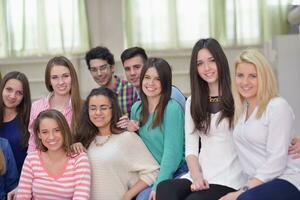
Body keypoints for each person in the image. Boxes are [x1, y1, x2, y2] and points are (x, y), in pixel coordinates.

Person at [156, 38, 246, 200]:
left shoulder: (238, 96)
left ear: (221, 61)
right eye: (200, 63)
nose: (206, 68)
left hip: (229, 176)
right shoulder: (192, 101)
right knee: (165, 189)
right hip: (201, 174)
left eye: (212, 61)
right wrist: (197, 177)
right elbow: (191, 150)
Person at [220, 49, 300, 200]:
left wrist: (242, 190)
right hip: (259, 182)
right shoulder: (242, 112)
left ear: (264, 78)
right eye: (240, 76)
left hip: (287, 179)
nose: (245, 82)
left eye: (253, 76)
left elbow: (277, 161)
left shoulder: (277, 106)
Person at [74, 87, 159, 200]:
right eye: (93, 108)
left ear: (113, 109)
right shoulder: (85, 140)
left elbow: (153, 171)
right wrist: (74, 147)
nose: (98, 113)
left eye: (103, 108)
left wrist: (128, 195)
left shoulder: (127, 138)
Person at [129, 57, 186, 200]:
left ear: (165, 83)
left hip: (176, 170)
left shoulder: (172, 109)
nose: (151, 83)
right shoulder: (136, 109)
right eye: (147, 77)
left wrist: (158, 185)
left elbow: (172, 154)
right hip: (151, 171)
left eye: (157, 79)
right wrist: (130, 131)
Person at [16, 109, 91, 200]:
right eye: (45, 132)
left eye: (57, 130)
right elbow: (22, 197)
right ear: (39, 135)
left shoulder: (79, 159)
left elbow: (81, 197)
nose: (51, 137)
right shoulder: (31, 159)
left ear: (64, 130)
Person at [27, 56, 82, 153]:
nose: (61, 82)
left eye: (65, 76)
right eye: (55, 77)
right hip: (43, 165)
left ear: (72, 77)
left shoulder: (84, 107)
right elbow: (33, 143)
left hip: (74, 165)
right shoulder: (36, 107)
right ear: (49, 81)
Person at [120, 46, 186, 111]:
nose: (132, 73)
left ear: (147, 66)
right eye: (127, 69)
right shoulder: (139, 96)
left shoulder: (171, 94)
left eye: (137, 67)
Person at [85, 46, 138, 116]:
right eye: (94, 70)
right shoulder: (94, 97)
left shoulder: (132, 90)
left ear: (112, 67)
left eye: (103, 68)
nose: (99, 74)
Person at [0, 71, 31, 174]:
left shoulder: (29, 119)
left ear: (24, 97)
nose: (12, 96)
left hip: (23, 183)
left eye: (19, 93)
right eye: (9, 89)